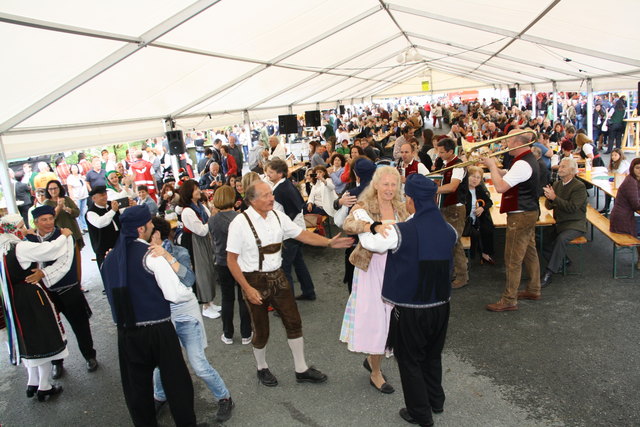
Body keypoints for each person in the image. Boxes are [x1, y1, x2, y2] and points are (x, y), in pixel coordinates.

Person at [226, 181, 353, 387]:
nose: (272, 198)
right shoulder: (239, 223)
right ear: (252, 200)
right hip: (253, 280)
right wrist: (247, 288)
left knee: (294, 322)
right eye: (266, 195)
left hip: (278, 275)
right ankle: (262, 367)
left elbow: (301, 234)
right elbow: (231, 260)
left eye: (271, 194)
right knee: (261, 328)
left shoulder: (278, 215)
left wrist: (328, 242)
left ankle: (301, 369)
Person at [357, 174, 456, 426]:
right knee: (432, 356)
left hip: (411, 309)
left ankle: (419, 413)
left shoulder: (401, 231)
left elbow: (371, 242)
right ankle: (436, 401)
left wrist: (361, 218)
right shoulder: (449, 230)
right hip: (441, 306)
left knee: (409, 361)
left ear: (411, 200)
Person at [101, 206, 198, 426]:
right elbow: (177, 294)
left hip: (126, 333)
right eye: (150, 225)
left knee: (137, 390)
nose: (153, 227)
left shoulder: (108, 260)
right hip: (158, 331)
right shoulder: (152, 256)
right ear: (140, 228)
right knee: (177, 385)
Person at [149, 216, 234, 423]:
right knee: (161, 363)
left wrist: (167, 257)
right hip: (163, 317)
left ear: (157, 235)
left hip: (185, 315)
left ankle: (224, 397)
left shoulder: (179, 252)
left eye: (148, 233)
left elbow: (189, 279)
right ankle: (160, 397)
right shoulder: (144, 256)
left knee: (198, 364)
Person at [341, 166, 410, 394]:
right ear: (376, 185)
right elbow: (348, 224)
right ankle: (376, 372)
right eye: (386, 184)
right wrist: (372, 225)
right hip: (372, 269)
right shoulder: (365, 206)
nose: (390, 189)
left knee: (391, 317)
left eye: (394, 185)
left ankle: (373, 361)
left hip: (395, 268)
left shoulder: (401, 207)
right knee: (377, 320)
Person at [0, 215, 74, 401]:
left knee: (28, 339)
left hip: (12, 299)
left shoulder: (3, 247)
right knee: (43, 338)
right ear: (13, 228)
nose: (24, 230)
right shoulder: (20, 247)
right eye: (21, 226)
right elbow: (49, 251)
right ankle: (44, 386)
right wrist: (64, 236)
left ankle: (32, 383)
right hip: (31, 296)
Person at [26, 206, 98, 380]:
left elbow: (65, 263)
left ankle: (89, 356)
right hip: (45, 293)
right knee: (52, 328)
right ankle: (56, 362)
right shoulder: (30, 239)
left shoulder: (64, 235)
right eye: (44, 219)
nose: (49, 222)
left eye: (51, 218)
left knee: (80, 325)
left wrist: (43, 273)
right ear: (36, 222)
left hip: (68, 289)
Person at [482, 130, 541, 311]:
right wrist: (495, 168)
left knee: (513, 258)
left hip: (520, 214)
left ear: (516, 142)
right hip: (529, 211)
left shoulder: (523, 163)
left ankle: (509, 299)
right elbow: (510, 173)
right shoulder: (525, 159)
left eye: (508, 140)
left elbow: (500, 187)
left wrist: (491, 166)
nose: (506, 144)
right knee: (530, 251)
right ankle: (533, 288)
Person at [265, 159, 317, 301]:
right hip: (298, 229)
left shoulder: (279, 190)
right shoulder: (288, 185)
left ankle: (288, 303)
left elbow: (276, 214)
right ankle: (308, 291)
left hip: (289, 234)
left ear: (280, 173)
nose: (268, 174)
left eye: (270, 172)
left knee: (284, 269)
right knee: (298, 263)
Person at [208, 186, 252, 345]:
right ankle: (247, 333)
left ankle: (227, 334)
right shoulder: (241, 218)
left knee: (227, 299)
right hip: (240, 262)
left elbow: (213, 240)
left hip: (221, 262)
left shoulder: (212, 219)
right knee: (243, 298)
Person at [541, 157, 588, 287]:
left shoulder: (579, 187)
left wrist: (554, 197)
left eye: (563, 167)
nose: (559, 169)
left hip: (575, 224)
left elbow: (572, 208)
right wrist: (549, 198)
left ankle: (549, 273)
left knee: (561, 239)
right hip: (560, 222)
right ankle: (563, 261)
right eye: (560, 166)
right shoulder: (557, 184)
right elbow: (549, 206)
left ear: (572, 171)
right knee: (539, 238)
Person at [178, 180, 219, 319]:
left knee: (209, 270)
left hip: (203, 241)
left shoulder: (199, 205)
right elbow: (201, 230)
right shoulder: (188, 211)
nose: (198, 191)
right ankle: (205, 305)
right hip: (195, 243)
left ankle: (210, 301)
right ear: (189, 193)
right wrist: (212, 218)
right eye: (195, 189)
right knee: (201, 272)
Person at [435, 138, 468, 289]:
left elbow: (453, 187)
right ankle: (454, 272)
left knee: (455, 243)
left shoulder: (459, 165)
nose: (439, 154)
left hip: (455, 208)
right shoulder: (445, 164)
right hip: (446, 206)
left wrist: (431, 189)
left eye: (442, 152)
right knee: (450, 242)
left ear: (450, 151)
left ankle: (462, 276)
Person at [44, 180, 85, 286]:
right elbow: (51, 219)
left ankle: (79, 283)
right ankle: (71, 283)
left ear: (60, 188)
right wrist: (58, 207)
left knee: (77, 260)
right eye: (50, 189)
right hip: (59, 237)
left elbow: (77, 212)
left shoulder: (66, 199)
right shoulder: (47, 203)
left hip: (73, 232)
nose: (53, 191)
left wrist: (67, 209)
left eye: (55, 188)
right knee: (65, 261)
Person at [609, 157, 640, 270]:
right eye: (637, 168)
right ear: (632, 168)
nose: (639, 170)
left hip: (625, 215)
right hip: (623, 219)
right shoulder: (631, 182)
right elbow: (636, 205)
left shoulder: (634, 180)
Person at [465, 166, 495, 264]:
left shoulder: (479, 189)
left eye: (478, 178)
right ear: (467, 177)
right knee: (475, 234)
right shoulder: (462, 190)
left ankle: (485, 253)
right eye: (473, 176)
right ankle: (472, 256)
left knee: (488, 228)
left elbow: (489, 202)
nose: (475, 179)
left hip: (477, 218)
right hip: (465, 220)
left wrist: (482, 208)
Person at [86, 186, 121, 271]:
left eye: (105, 194)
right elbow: (100, 223)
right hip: (103, 247)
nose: (105, 196)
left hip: (118, 242)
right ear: (94, 198)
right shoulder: (91, 212)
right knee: (109, 271)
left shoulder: (111, 204)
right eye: (102, 195)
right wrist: (112, 211)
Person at [600, 148, 630, 214]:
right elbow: (610, 172)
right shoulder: (614, 162)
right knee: (607, 189)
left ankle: (616, 210)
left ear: (620, 155)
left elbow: (617, 174)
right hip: (617, 181)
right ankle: (606, 208)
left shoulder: (623, 163)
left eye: (615, 155)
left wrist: (607, 177)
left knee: (614, 191)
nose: (613, 157)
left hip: (624, 183)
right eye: (612, 155)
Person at [66, 164, 89, 232]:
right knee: (77, 213)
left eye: (76, 168)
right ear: (70, 169)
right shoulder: (70, 178)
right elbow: (69, 189)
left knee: (83, 212)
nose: (74, 169)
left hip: (84, 196)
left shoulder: (80, 176)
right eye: (73, 168)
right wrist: (72, 199)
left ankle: (84, 226)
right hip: (77, 197)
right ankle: (79, 228)